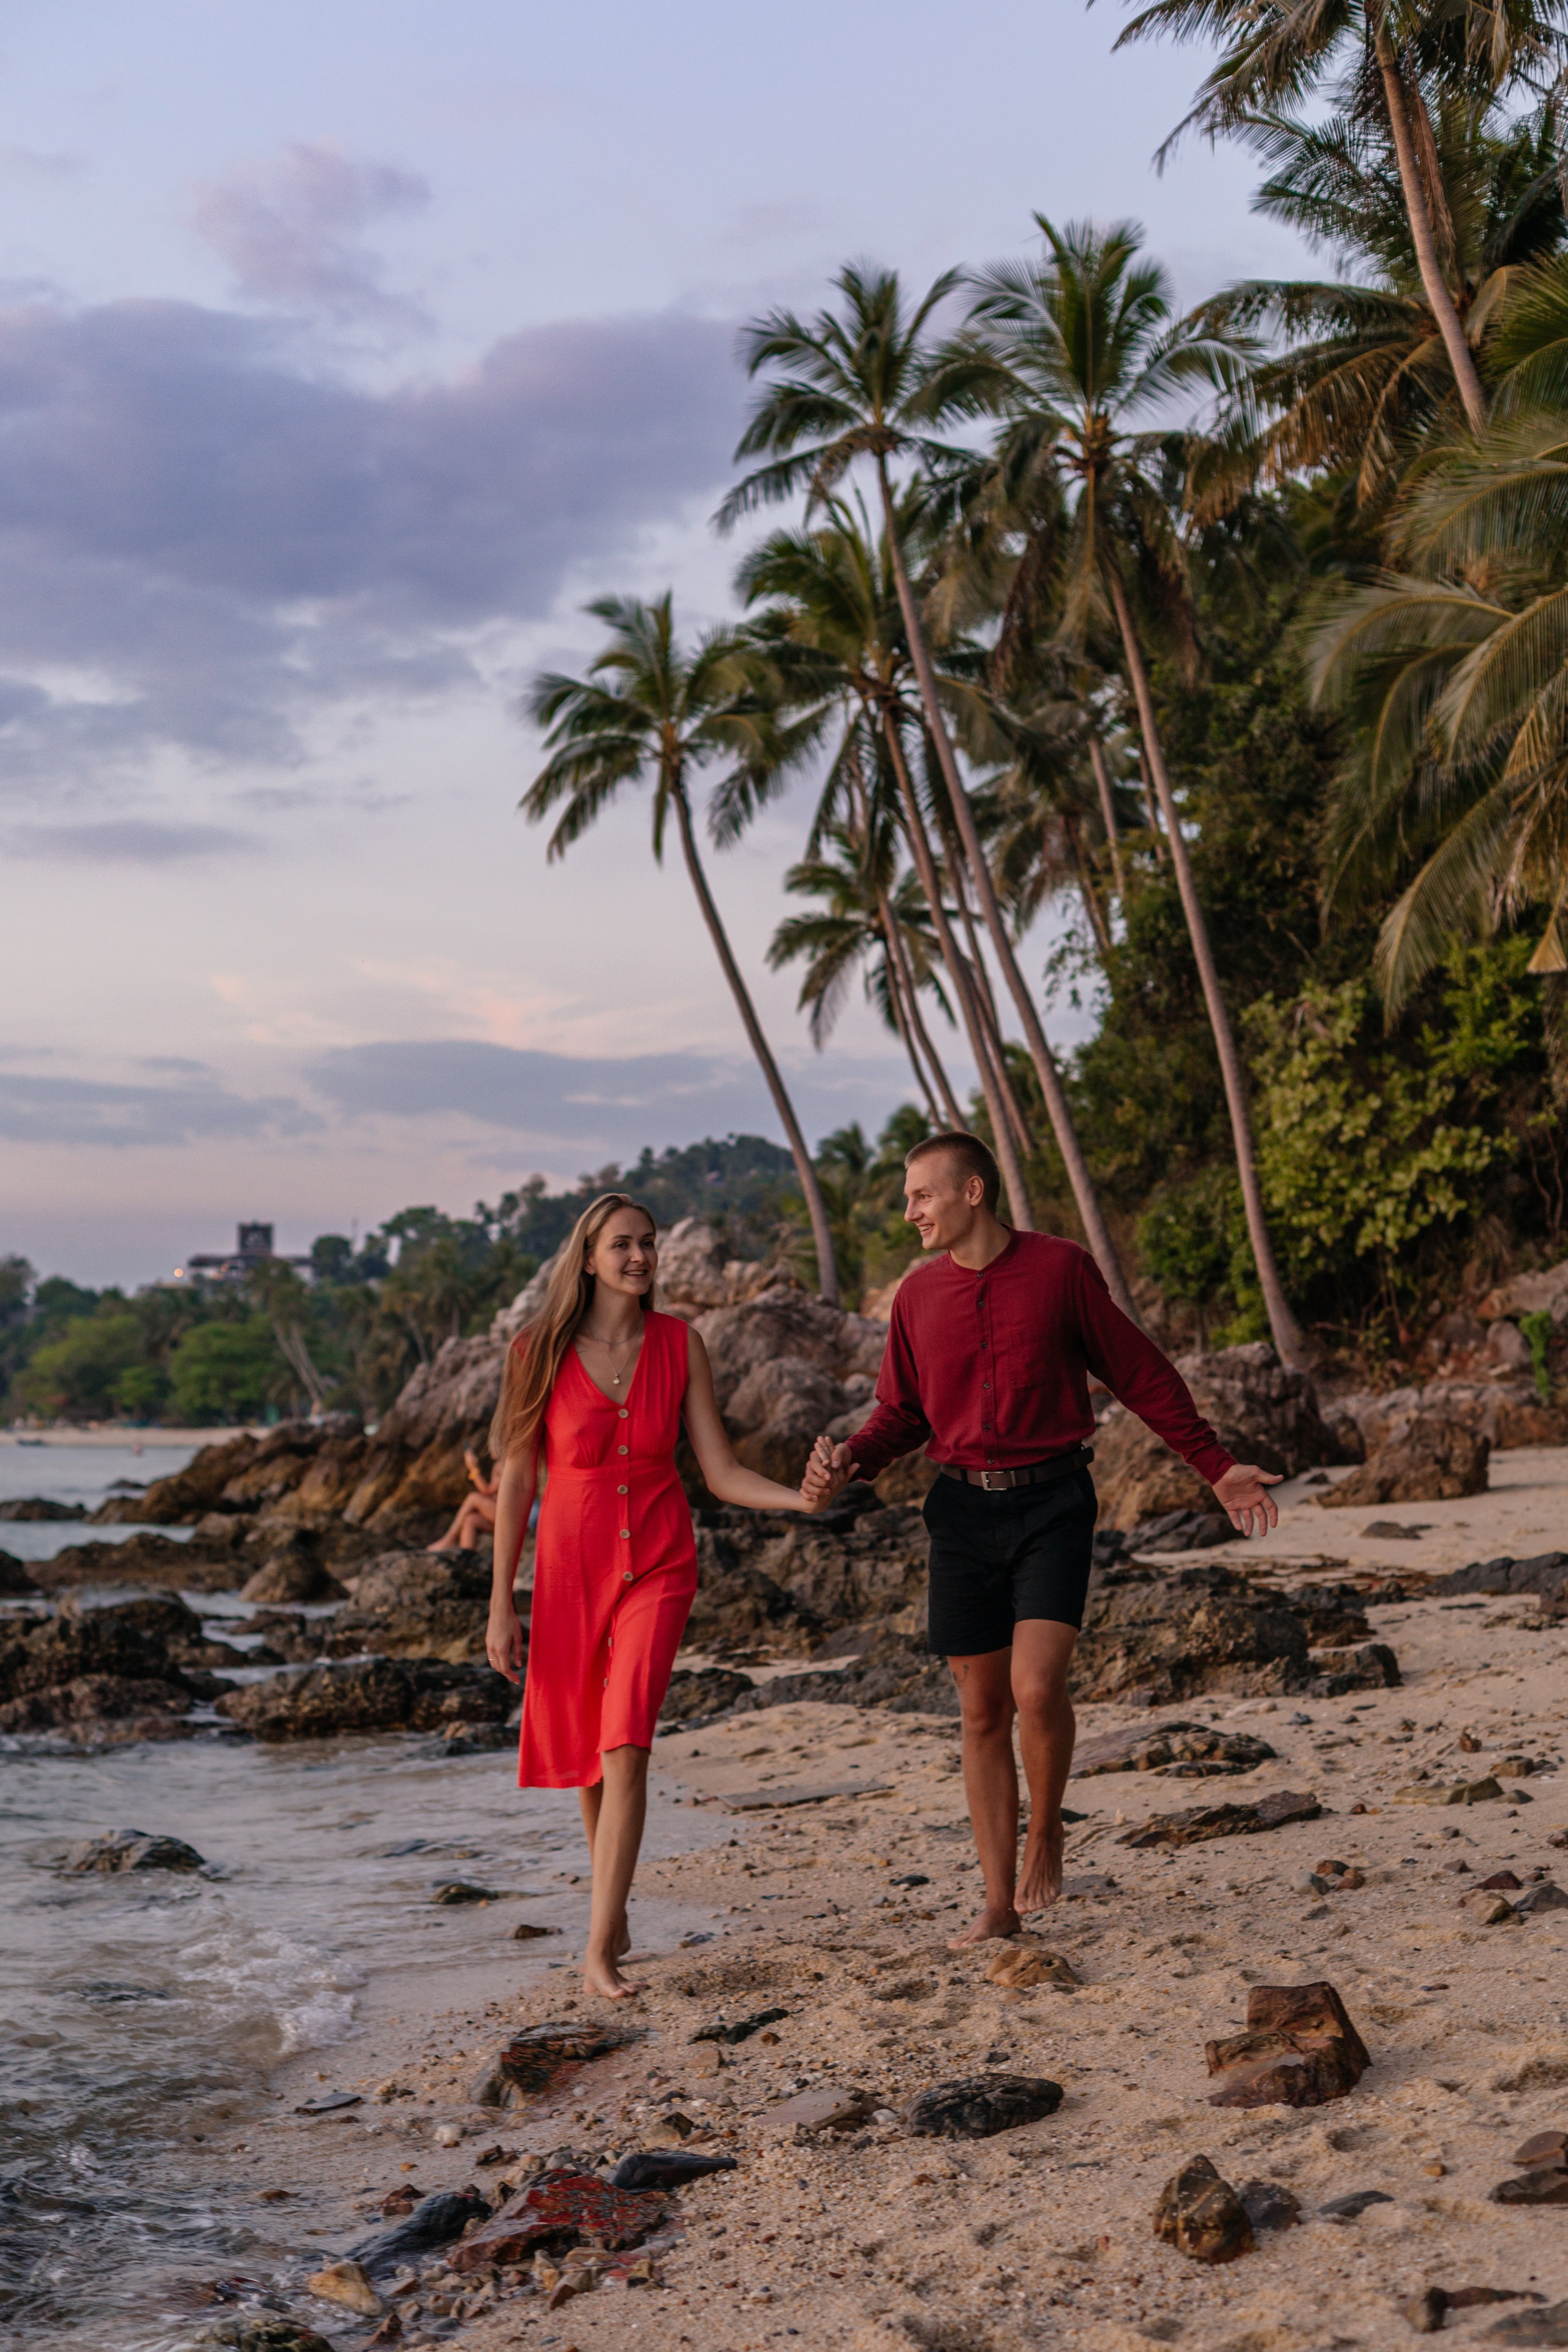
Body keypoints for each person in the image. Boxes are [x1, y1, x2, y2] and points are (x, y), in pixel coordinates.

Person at [802, 1130, 1280, 1947]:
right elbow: (905, 1413)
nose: (910, 1210)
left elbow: (1137, 1370)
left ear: (973, 1191)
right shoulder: (916, 1299)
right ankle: (996, 1906)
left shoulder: (1059, 1269)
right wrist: (849, 1459)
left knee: (1033, 1688)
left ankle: (1048, 1824)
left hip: (1053, 1502)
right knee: (981, 1710)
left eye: (922, 1194)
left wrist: (1215, 1465)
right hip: (960, 1513)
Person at [486, 1189, 837, 2000]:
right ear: (588, 1257)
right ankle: (618, 1913)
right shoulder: (536, 1350)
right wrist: (502, 1601)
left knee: (625, 1745)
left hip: (658, 1562)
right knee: (585, 1753)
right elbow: (516, 1482)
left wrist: (802, 1499)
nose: (641, 1257)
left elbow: (718, 1472)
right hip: (569, 1572)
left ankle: (599, 1946)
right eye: (623, 1245)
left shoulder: (681, 1344)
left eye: (649, 1244)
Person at [429, 1448, 499, 1554]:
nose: (489, 1449)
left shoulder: (502, 1465)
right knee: (470, 1520)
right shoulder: (501, 1465)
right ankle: (465, 1557)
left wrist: (473, 1468)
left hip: (508, 1516)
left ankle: (449, 1539)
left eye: (491, 1445)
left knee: (473, 1497)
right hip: (503, 1517)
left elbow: (487, 1491)